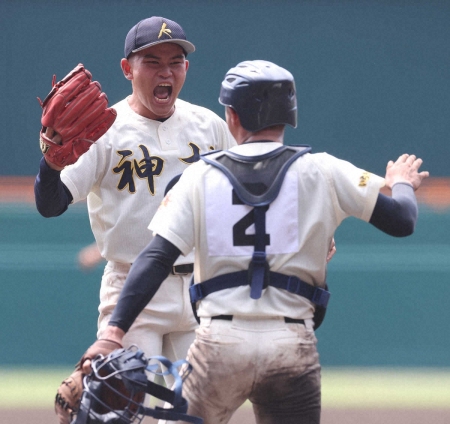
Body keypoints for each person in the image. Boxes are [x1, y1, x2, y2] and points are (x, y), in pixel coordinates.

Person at [79, 59, 429, 424]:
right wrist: (401, 180)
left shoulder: (199, 176)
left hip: (220, 342)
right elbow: (402, 220)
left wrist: (114, 332)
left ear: (231, 116)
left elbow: (156, 257)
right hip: (291, 342)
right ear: (290, 113)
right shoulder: (324, 169)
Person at [34, 16, 237, 380]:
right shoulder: (104, 130)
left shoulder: (210, 126)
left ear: (186, 68)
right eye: (153, 62)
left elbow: (249, 189)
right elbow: (50, 205)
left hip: (199, 288)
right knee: (122, 405)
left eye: (175, 62)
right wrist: (49, 164)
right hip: (131, 290)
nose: (166, 72)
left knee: (199, 412)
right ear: (128, 69)